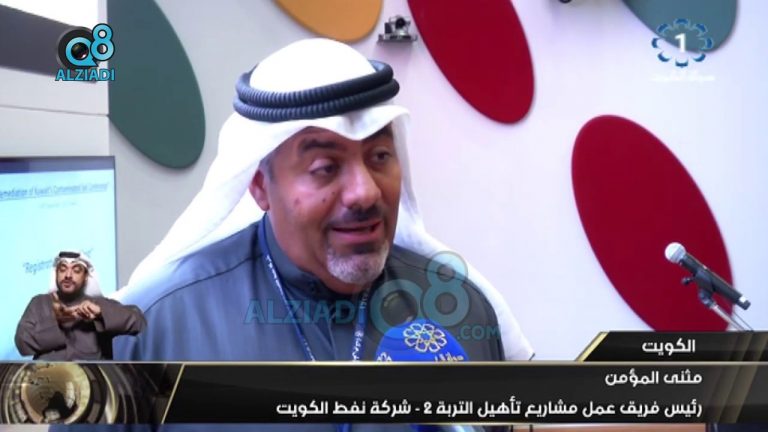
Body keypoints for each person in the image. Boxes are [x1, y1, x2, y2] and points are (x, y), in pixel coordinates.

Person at [112, 38, 532, 365]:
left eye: (379, 156)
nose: (365, 192)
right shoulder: (152, 331)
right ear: (259, 186)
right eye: (325, 167)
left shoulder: (463, 313)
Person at [15, 251, 146, 360]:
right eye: (62, 269)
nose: (68, 275)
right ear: (56, 273)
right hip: (49, 379)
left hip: (92, 379)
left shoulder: (99, 304)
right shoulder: (38, 303)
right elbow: (22, 343)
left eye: (76, 270)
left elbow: (139, 322)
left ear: (86, 276)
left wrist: (101, 313)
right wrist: (56, 323)